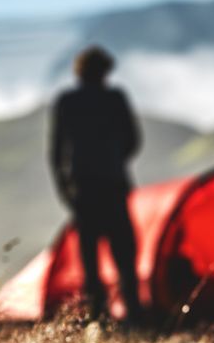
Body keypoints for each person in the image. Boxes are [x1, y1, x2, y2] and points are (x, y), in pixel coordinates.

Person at [48, 45, 144, 324]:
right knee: (125, 255)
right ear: (105, 71)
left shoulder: (67, 101)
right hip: (113, 186)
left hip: (83, 189)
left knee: (90, 260)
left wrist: (65, 188)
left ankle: (99, 317)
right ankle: (133, 315)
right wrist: (115, 161)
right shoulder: (115, 98)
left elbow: (56, 152)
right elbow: (133, 139)